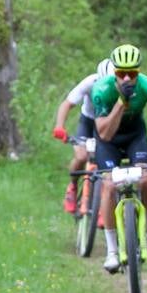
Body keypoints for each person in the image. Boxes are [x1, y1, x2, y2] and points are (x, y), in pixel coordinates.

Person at [88, 44, 147, 270]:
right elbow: (104, 133)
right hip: (108, 141)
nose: (127, 78)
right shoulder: (101, 90)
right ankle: (112, 250)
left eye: (133, 73)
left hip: (135, 137)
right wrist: (121, 102)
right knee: (109, 186)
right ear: (114, 73)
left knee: (144, 179)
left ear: (139, 72)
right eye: (122, 73)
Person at [52, 58, 114, 213]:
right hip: (88, 121)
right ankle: (72, 186)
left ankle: (106, 203)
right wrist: (60, 127)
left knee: (109, 160)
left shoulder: (118, 86)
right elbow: (67, 104)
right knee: (81, 156)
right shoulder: (89, 82)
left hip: (107, 123)